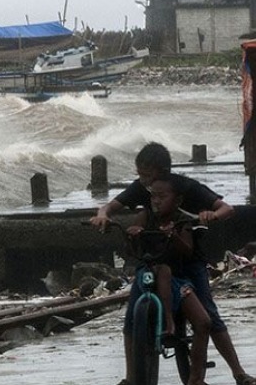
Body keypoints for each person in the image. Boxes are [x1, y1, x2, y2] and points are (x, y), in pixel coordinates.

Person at [90, 142, 255, 385]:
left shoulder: (185, 187)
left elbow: (226, 208)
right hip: (154, 259)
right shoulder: (143, 190)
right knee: (131, 318)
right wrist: (103, 216)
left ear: (164, 171)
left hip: (188, 261)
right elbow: (110, 207)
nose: (146, 186)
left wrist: (210, 216)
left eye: (147, 176)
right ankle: (130, 376)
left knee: (209, 315)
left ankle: (238, 372)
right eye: (141, 177)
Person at [126, 174, 210, 385]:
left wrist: (174, 236)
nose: (156, 201)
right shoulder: (145, 217)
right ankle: (168, 325)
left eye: (162, 196)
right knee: (160, 271)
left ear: (177, 200)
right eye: (153, 196)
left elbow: (188, 250)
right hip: (149, 277)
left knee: (204, 323)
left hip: (178, 282)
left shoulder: (183, 220)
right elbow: (131, 250)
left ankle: (196, 378)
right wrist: (133, 235)